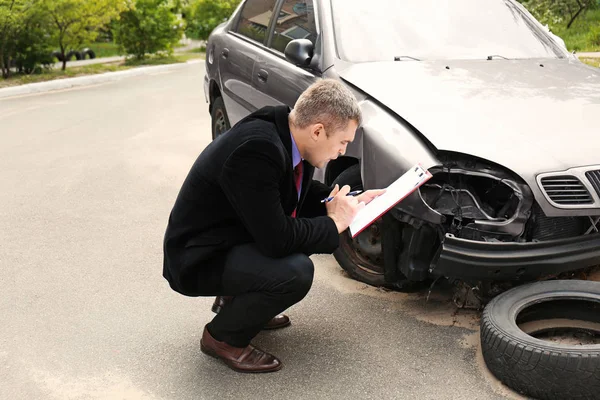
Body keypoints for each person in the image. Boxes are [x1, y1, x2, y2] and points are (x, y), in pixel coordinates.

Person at [162, 79, 384, 373]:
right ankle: (223, 338)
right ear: (318, 130)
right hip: (196, 258)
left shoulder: (285, 132)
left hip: (230, 237)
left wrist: (351, 201)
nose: (342, 152)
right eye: (342, 142)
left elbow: (293, 195)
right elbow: (277, 240)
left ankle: (243, 303)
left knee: (290, 261)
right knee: (295, 272)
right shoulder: (257, 150)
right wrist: (335, 223)